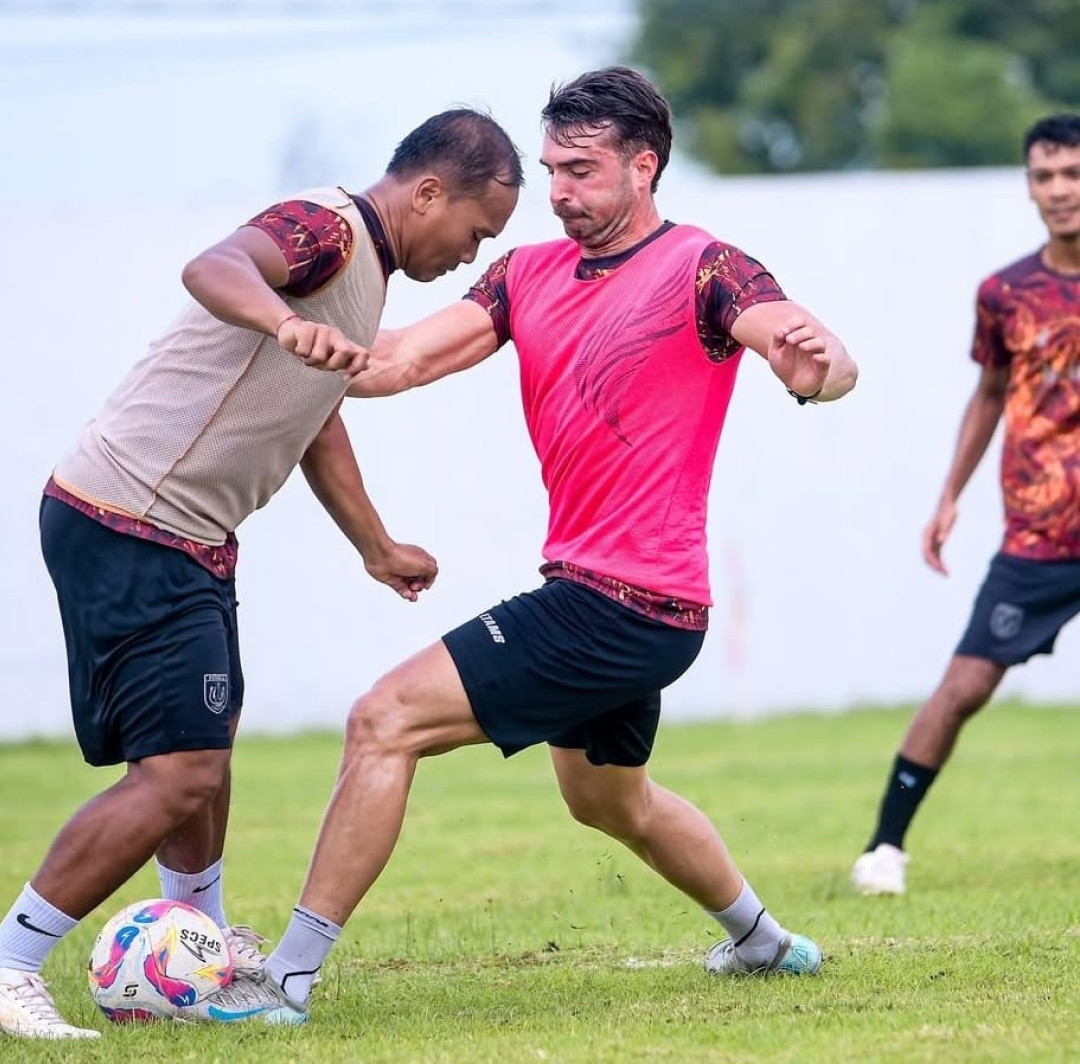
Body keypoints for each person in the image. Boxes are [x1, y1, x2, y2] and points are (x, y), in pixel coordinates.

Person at [230, 66, 858, 1023]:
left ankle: (286, 980)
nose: (557, 190)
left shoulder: (706, 267)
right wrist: (299, 339)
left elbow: (798, 343)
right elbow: (400, 360)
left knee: (382, 719)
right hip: (616, 599)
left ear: (643, 167)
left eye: (581, 169)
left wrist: (819, 367)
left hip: (623, 600)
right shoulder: (524, 274)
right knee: (610, 802)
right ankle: (764, 941)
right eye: (551, 168)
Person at [0, 108, 523, 1039]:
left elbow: (314, 412)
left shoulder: (367, 272)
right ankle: (0, 964)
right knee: (178, 772)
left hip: (184, 535)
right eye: (476, 231)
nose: (470, 252)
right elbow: (213, 268)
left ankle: (199, 943)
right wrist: (285, 321)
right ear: (427, 192)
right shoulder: (326, 227)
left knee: (204, 751)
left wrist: (375, 545)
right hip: (132, 519)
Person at [851, 114, 1080, 897]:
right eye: (1045, 176)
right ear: (1029, 187)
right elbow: (988, 396)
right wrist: (949, 497)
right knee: (964, 687)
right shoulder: (1005, 294)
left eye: (1073, 173)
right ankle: (885, 847)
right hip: (1041, 536)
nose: (1060, 189)